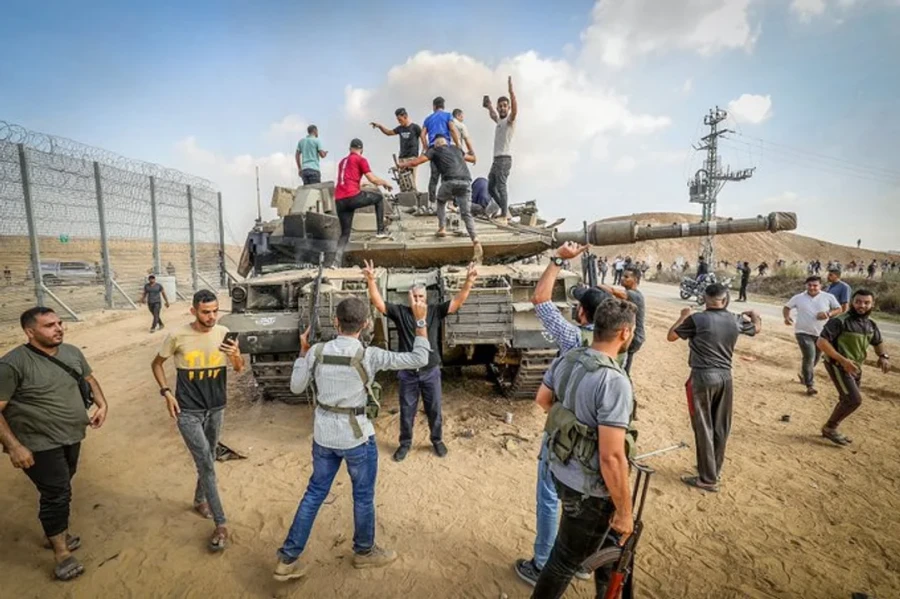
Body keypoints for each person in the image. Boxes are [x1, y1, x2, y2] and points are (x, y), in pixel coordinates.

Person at [273, 296, 431, 580]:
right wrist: (420, 322)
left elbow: (296, 388)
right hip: (357, 437)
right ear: (366, 324)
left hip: (323, 436)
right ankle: (364, 552)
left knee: (314, 494)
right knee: (363, 496)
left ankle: (287, 558)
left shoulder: (317, 352)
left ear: (336, 322)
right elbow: (420, 358)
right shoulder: (370, 355)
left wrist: (303, 352)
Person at [530, 298, 637, 598]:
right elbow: (612, 456)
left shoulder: (569, 358)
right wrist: (625, 512)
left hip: (561, 470)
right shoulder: (614, 380)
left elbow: (542, 400)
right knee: (563, 561)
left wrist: (573, 423)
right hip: (590, 489)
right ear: (625, 333)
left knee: (606, 551)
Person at [514, 241, 605, 587]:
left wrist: (556, 260)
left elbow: (540, 300)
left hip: (565, 436)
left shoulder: (572, 338)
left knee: (551, 497)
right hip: (602, 433)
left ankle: (542, 563)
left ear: (581, 313)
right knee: (587, 500)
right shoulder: (622, 343)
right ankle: (580, 560)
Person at [0, 307, 109, 581]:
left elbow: (88, 378)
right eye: (49, 325)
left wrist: (102, 403)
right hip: (37, 441)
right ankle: (61, 553)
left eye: (60, 323)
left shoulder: (72, 352)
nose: (59, 328)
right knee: (57, 491)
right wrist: (14, 446)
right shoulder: (12, 364)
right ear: (30, 332)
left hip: (72, 436)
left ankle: (55, 531)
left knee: (62, 485)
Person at [150, 289, 244, 552]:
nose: (212, 316)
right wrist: (166, 392)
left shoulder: (223, 332)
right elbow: (156, 364)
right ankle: (221, 523)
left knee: (210, 456)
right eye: (206, 312)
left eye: (215, 311)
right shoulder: (177, 336)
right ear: (194, 311)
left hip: (216, 408)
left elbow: (238, 368)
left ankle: (199, 498)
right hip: (188, 412)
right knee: (206, 461)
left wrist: (235, 354)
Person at [363, 260, 478, 461]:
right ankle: (405, 444)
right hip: (408, 373)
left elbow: (457, 302)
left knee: (434, 409)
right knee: (407, 412)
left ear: (426, 298)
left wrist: (468, 281)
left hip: (430, 370)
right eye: (415, 297)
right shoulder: (400, 312)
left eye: (421, 297)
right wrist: (371, 280)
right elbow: (378, 303)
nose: (418, 300)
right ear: (409, 298)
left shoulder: (434, 311)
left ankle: (437, 440)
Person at [667, 284, 761, 492]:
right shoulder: (736, 319)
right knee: (720, 426)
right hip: (725, 377)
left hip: (702, 377)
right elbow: (756, 328)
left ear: (704, 298)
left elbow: (672, 336)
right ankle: (713, 469)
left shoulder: (696, 319)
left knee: (703, 426)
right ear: (725, 300)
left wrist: (683, 315)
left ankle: (707, 479)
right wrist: (755, 315)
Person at [817, 289, 890, 446]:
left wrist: (883, 356)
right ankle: (830, 428)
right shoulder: (840, 321)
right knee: (853, 399)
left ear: (872, 304)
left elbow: (878, 342)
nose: (861, 305)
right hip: (838, 365)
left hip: (855, 367)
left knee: (848, 399)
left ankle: (829, 428)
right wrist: (843, 361)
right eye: (858, 302)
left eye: (866, 303)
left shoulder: (870, 324)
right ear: (852, 302)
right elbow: (821, 342)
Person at [399, 134, 482, 262]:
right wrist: (472, 153)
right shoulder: (456, 149)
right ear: (446, 143)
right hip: (466, 182)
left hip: (449, 182)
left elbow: (417, 162)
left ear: (436, 144)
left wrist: (403, 164)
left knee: (441, 201)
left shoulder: (435, 150)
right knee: (466, 213)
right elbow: (471, 158)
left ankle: (442, 228)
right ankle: (475, 239)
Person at [333, 139, 393, 266]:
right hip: (352, 197)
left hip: (339, 200)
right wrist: (384, 182)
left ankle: (335, 263)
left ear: (350, 149)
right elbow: (373, 179)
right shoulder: (361, 160)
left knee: (344, 233)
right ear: (362, 150)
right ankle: (380, 232)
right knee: (378, 198)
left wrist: (360, 184)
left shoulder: (342, 162)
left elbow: (347, 180)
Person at [783, 277, 842, 396]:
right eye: (809, 285)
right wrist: (786, 317)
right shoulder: (799, 297)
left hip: (821, 334)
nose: (812, 288)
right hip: (802, 332)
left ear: (820, 286)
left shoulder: (828, 297)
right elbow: (787, 307)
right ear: (806, 285)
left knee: (815, 358)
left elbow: (839, 309)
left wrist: (828, 314)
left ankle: (804, 374)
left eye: (815, 285)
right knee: (809, 356)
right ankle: (810, 385)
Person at [598, 266, 645, 376]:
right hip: (631, 335)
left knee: (621, 370)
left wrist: (598, 286)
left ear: (636, 280)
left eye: (626, 277)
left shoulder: (634, 295)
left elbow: (613, 291)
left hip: (633, 336)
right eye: (623, 276)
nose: (622, 278)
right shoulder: (631, 294)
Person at [483, 76, 517, 224]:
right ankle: (505, 210)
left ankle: (504, 214)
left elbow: (515, 111)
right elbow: (493, 115)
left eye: (505, 105)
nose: (503, 108)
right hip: (496, 160)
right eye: (500, 106)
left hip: (504, 159)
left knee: (501, 186)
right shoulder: (499, 121)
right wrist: (489, 106)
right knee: (491, 187)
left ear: (508, 108)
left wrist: (511, 92)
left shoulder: (510, 121)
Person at [421, 96, 461, 205]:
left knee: (434, 176)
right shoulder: (448, 116)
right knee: (447, 175)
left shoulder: (428, 119)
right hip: (445, 148)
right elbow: (452, 129)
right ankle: (449, 203)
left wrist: (426, 148)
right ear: (443, 106)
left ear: (434, 106)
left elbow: (422, 134)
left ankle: (432, 202)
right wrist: (458, 145)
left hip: (433, 149)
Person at [370, 108, 422, 188]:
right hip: (402, 158)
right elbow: (389, 132)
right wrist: (379, 126)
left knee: (411, 181)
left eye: (400, 119)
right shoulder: (400, 128)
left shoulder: (415, 127)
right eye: (398, 120)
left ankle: (413, 197)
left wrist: (422, 155)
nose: (399, 121)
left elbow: (423, 138)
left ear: (405, 116)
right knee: (403, 181)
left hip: (412, 158)